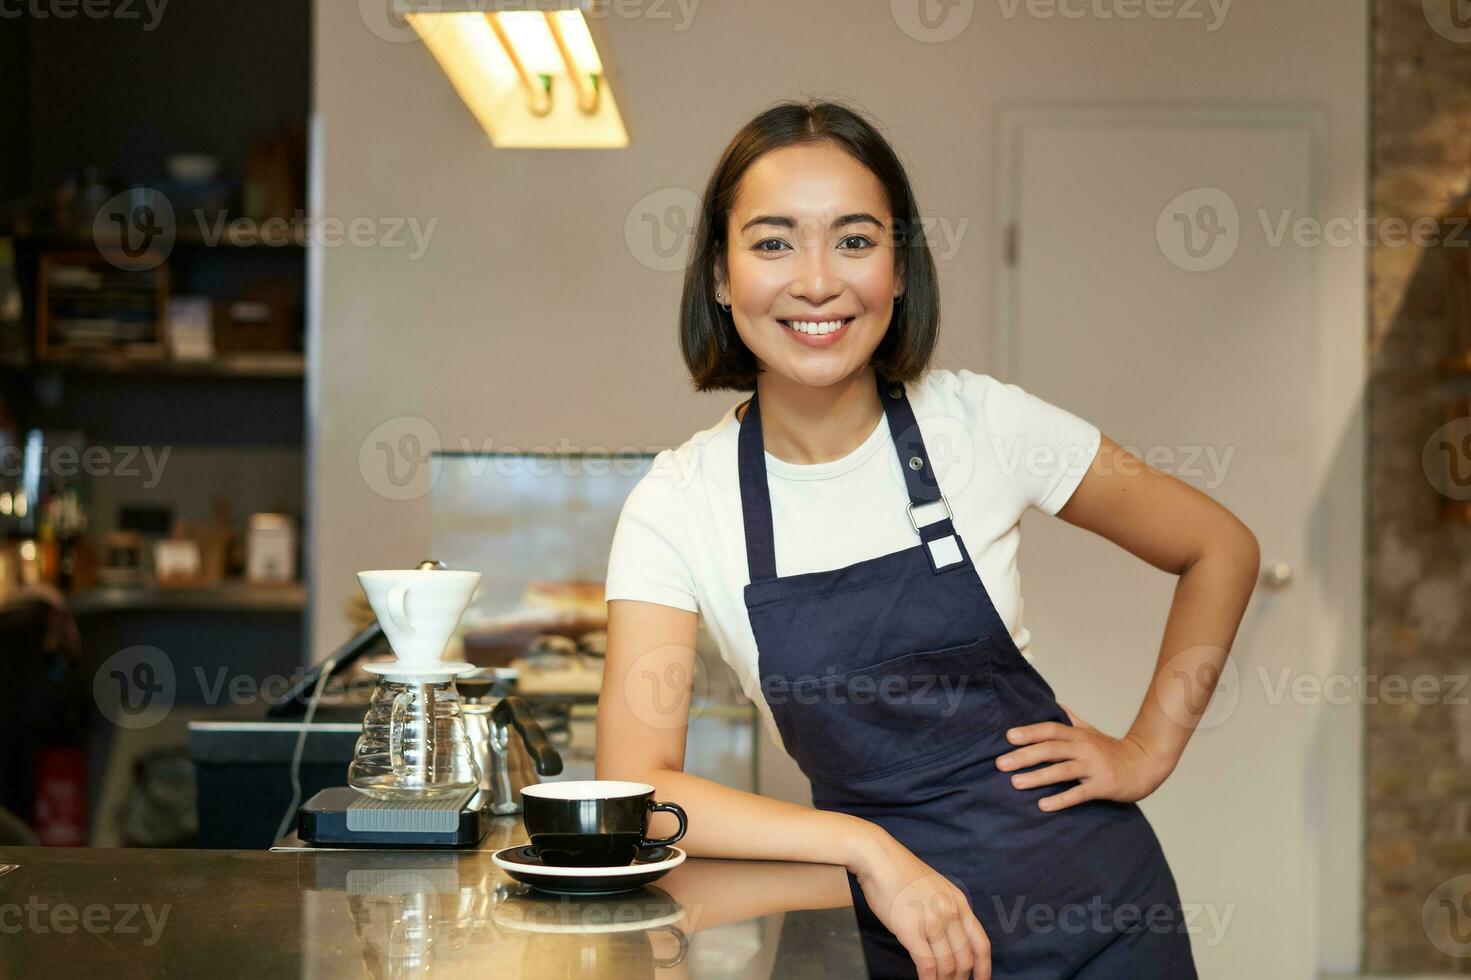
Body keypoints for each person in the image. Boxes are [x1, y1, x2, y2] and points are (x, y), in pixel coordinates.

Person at [596, 99, 1259, 979]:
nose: (817, 280)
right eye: (772, 242)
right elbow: (638, 792)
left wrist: (1144, 750)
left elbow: (1219, 546)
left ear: (899, 269)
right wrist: (867, 849)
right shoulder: (679, 503)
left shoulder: (981, 423)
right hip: (895, 930)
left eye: (855, 240)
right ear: (720, 275)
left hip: (1102, 919)